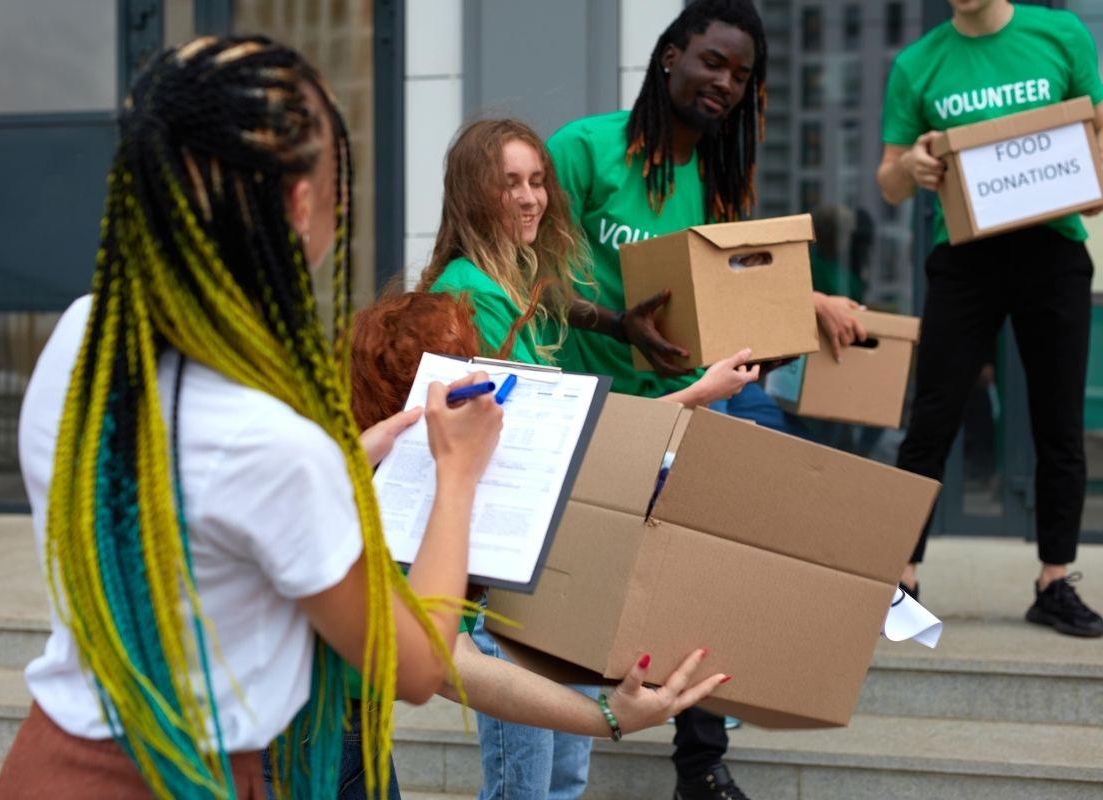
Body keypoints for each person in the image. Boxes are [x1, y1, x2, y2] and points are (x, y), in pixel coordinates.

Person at [0, 36, 507, 800]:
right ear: (301, 204)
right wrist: (458, 473)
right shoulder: (268, 443)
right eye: (338, 177)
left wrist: (333, 473)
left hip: (46, 762)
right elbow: (419, 666)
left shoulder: (85, 334)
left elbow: (194, 518)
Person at [542, 1, 874, 796]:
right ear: (669, 57)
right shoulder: (583, 150)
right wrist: (616, 325)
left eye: (741, 75)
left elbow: (733, 288)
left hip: (688, 402)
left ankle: (700, 764)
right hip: (591, 406)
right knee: (581, 583)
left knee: (699, 570)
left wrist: (813, 303)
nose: (724, 83)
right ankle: (559, 749)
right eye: (713, 62)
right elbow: (529, 278)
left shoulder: (718, 183)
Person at [415, 119, 757, 800]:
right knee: (526, 787)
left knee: (564, 778)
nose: (530, 197)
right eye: (508, 182)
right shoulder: (472, 293)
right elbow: (552, 439)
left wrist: (617, 321)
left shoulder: (521, 280)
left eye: (538, 180)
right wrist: (695, 395)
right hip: (500, 581)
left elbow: (563, 309)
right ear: (471, 194)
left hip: (551, 568)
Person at [338, 291, 733, 799]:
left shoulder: (358, 470)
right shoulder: (387, 494)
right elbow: (442, 667)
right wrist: (606, 717)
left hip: (348, 729)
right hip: (305, 740)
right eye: (462, 388)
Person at [877, 0, 1103, 637]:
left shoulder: (1060, 34)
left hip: (1053, 249)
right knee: (934, 414)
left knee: (1059, 419)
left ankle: (1054, 581)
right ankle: (900, 578)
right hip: (964, 256)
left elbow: (1097, 135)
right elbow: (889, 180)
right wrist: (910, 167)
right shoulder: (918, 63)